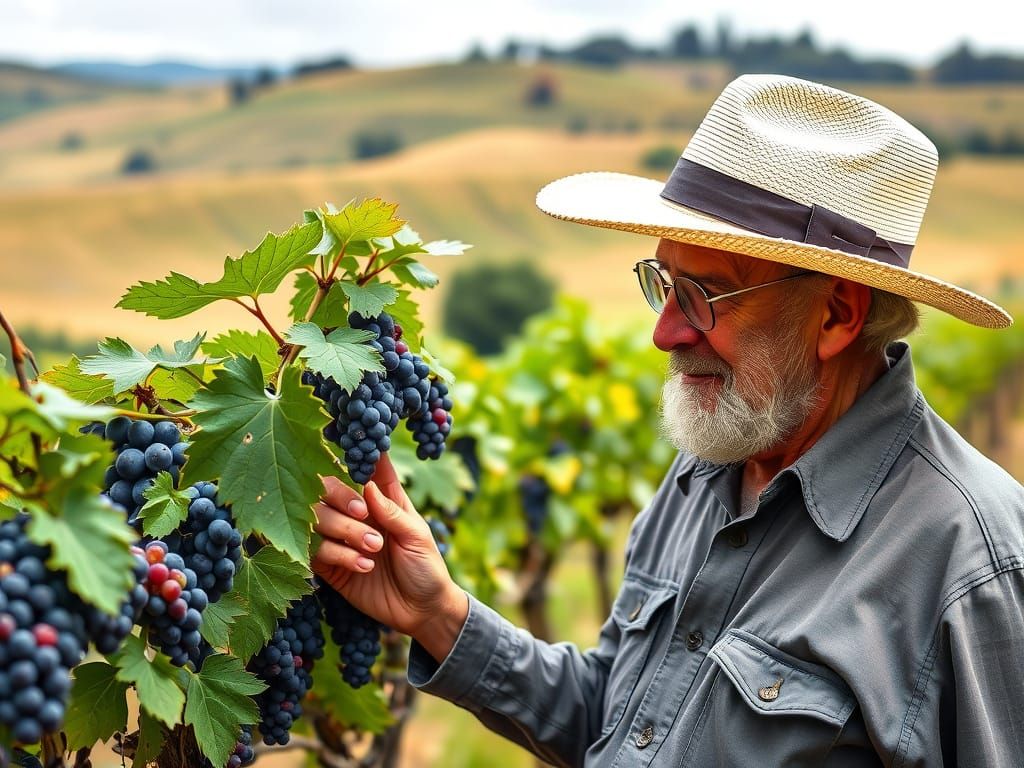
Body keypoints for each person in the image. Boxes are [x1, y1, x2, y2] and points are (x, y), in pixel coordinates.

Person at [312, 74, 1024, 766]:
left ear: (837, 315)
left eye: (706, 295)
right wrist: (440, 614)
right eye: (663, 283)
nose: (665, 332)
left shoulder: (973, 566)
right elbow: (618, 723)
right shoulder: (712, 464)